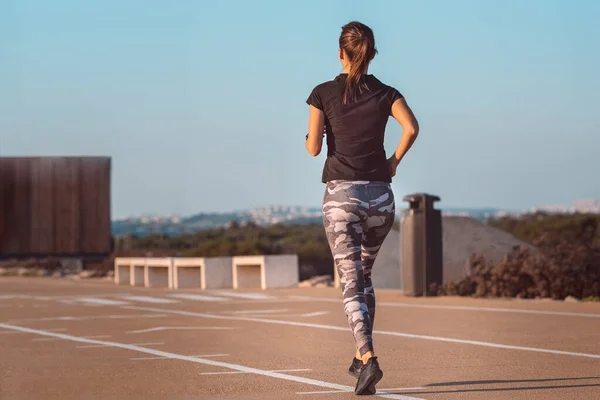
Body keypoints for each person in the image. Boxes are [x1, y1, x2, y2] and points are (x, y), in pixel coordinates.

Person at [305, 21, 419, 395]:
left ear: (340, 53)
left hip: (343, 198)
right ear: (371, 55)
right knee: (363, 277)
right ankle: (359, 355)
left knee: (351, 282)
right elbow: (412, 128)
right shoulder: (387, 93)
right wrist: (393, 162)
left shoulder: (323, 93)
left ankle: (369, 359)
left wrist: (314, 134)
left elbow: (313, 149)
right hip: (381, 199)